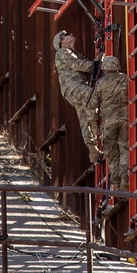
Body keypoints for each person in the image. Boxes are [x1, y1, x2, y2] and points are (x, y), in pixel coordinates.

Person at [53, 30, 100, 164]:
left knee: (83, 117)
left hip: (73, 90)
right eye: (67, 34)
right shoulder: (63, 52)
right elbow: (78, 65)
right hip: (74, 87)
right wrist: (98, 66)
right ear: (63, 41)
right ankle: (97, 129)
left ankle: (93, 150)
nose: (71, 34)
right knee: (92, 97)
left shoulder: (74, 54)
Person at [92, 55, 129, 192]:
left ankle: (116, 185)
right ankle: (125, 178)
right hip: (125, 120)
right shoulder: (125, 79)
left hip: (109, 123)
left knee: (112, 155)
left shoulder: (101, 83)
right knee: (125, 150)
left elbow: (93, 103)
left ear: (105, 69)